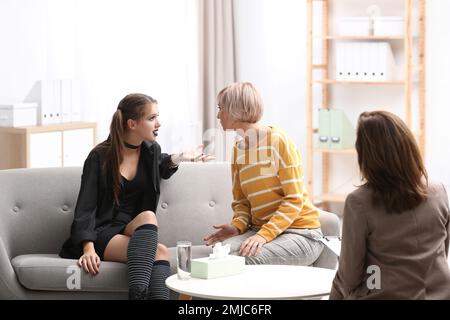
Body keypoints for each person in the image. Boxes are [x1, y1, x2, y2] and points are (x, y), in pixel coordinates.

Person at [59, 93, 210, 300]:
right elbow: (85, 207)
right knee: (161, 252)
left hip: (128, 227)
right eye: (151, 118)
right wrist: (88, 248)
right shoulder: (99, 157)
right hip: (101, 231)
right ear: (132, 123)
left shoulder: (151, 150)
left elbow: (162, 166)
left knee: (148, 215)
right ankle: (137, 295)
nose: (158, 123)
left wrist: (180, 157)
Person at [330, 111, 450, 299]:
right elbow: (441, 252)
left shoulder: (359, 202)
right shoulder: (439, 191)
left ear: (367, 156)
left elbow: (349, 277)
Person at [204, 82, 324, 265]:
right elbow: (242, 202)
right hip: (261, 230)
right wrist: (236, 227)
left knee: (238, 262)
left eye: (221, 108)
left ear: (235, 110)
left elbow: (294, 199)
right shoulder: (238, 150)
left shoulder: (278, 141)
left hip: (301, 233)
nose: (218, 115)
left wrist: (263, 236)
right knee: (218, 256)